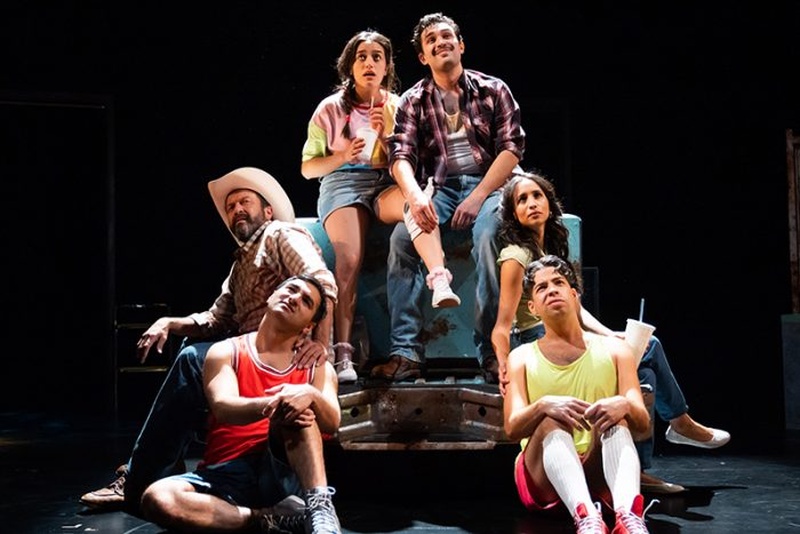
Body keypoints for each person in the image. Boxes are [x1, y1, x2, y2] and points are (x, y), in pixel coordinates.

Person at [80, 167, 338, 512]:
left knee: (191, 360)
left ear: (267, 211)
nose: (237, 210)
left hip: (279, 350)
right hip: (246, 351)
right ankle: (157, 468)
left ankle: (139, 478)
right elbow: (216, 318)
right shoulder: (240, 264)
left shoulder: (280, 234)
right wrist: (169, 322)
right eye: (230, 207)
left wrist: (322, 345)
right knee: (190, 350)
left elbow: (322, 282)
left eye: (245, 202)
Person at [491, 171, 730, 495]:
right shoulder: (517, 257)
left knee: (641, 367)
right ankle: (678, 424)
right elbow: (502, 325)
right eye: (522, 200)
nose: (532, 203)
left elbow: (576, 309)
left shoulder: (551, 248)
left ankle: (637, 467)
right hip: (537, 338)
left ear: (549, 202)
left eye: (537, 196)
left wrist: (610, 335)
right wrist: (504, 365)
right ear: (513, 213)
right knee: (649, 348)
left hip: (566, 332)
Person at [371, 12, 525, 382]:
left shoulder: (493, 89)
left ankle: (491, 351)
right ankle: (406, 353)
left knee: (490, 236)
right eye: (431, 40)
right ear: (423, 56)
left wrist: (478, 197)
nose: (440, 43)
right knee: (401, 241)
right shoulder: (413, 100)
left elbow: (511, 149)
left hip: (489, 185)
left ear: (461, 45)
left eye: (446, 36)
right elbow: (400, 156)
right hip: (438, 187)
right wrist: (414, 196)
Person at [301, 29, 458, 384]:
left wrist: (387, 139)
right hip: (343, 183)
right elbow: (308, 168)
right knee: (349, 260)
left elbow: (411, 161)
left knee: (418, 203)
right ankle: (343, 353)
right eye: (362, 57)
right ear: (350, 65)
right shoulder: (330, 109)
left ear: (387, 66)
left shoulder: (398, 105)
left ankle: (439, 278)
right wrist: (343, 155)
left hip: (386, 181)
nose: (369, 63)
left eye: (377, 57)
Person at [140, 275, 342, 534]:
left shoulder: (318, 366)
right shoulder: (225, 351)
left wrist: (309, 394)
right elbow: (223, 406)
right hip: (226, 472)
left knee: (297, 411)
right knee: (158, 498)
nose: (294, 298)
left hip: (282, 472)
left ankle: (319, 508)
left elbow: (333, 422)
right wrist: (275, 402)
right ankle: (268, 518)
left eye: (306, 301)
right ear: (271, 296)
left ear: (308, 326)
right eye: (291, 289)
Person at [504, 254, 653, 533]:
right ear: (532, 308)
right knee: (550, 420)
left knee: (617, 419)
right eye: (542, 287)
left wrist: (624, 404)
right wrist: (543, 405)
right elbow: (512, 428)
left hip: (599, 472)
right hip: (543, 480)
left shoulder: (616, 349)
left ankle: (629, 519)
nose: (551, 290)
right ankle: (587, 519)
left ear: (574, 296)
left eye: (558, 283)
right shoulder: (521, 357)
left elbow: (643, 424)